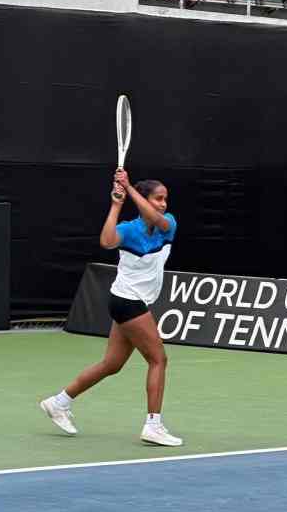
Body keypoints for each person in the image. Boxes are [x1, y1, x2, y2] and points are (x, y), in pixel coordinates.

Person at [39, 169, 183, 446]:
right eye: (158, 199)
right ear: (145, 199)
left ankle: (59, 402)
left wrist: (128, 189)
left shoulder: (169, 223)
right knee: (158, 359)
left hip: (129, 301)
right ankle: (153, 424)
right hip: (127, 300)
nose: (164, 204)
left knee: (112, 364)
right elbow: (106, 241)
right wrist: (116, 204)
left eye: (166, 199)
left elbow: (156, 220)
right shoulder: (129, 229)